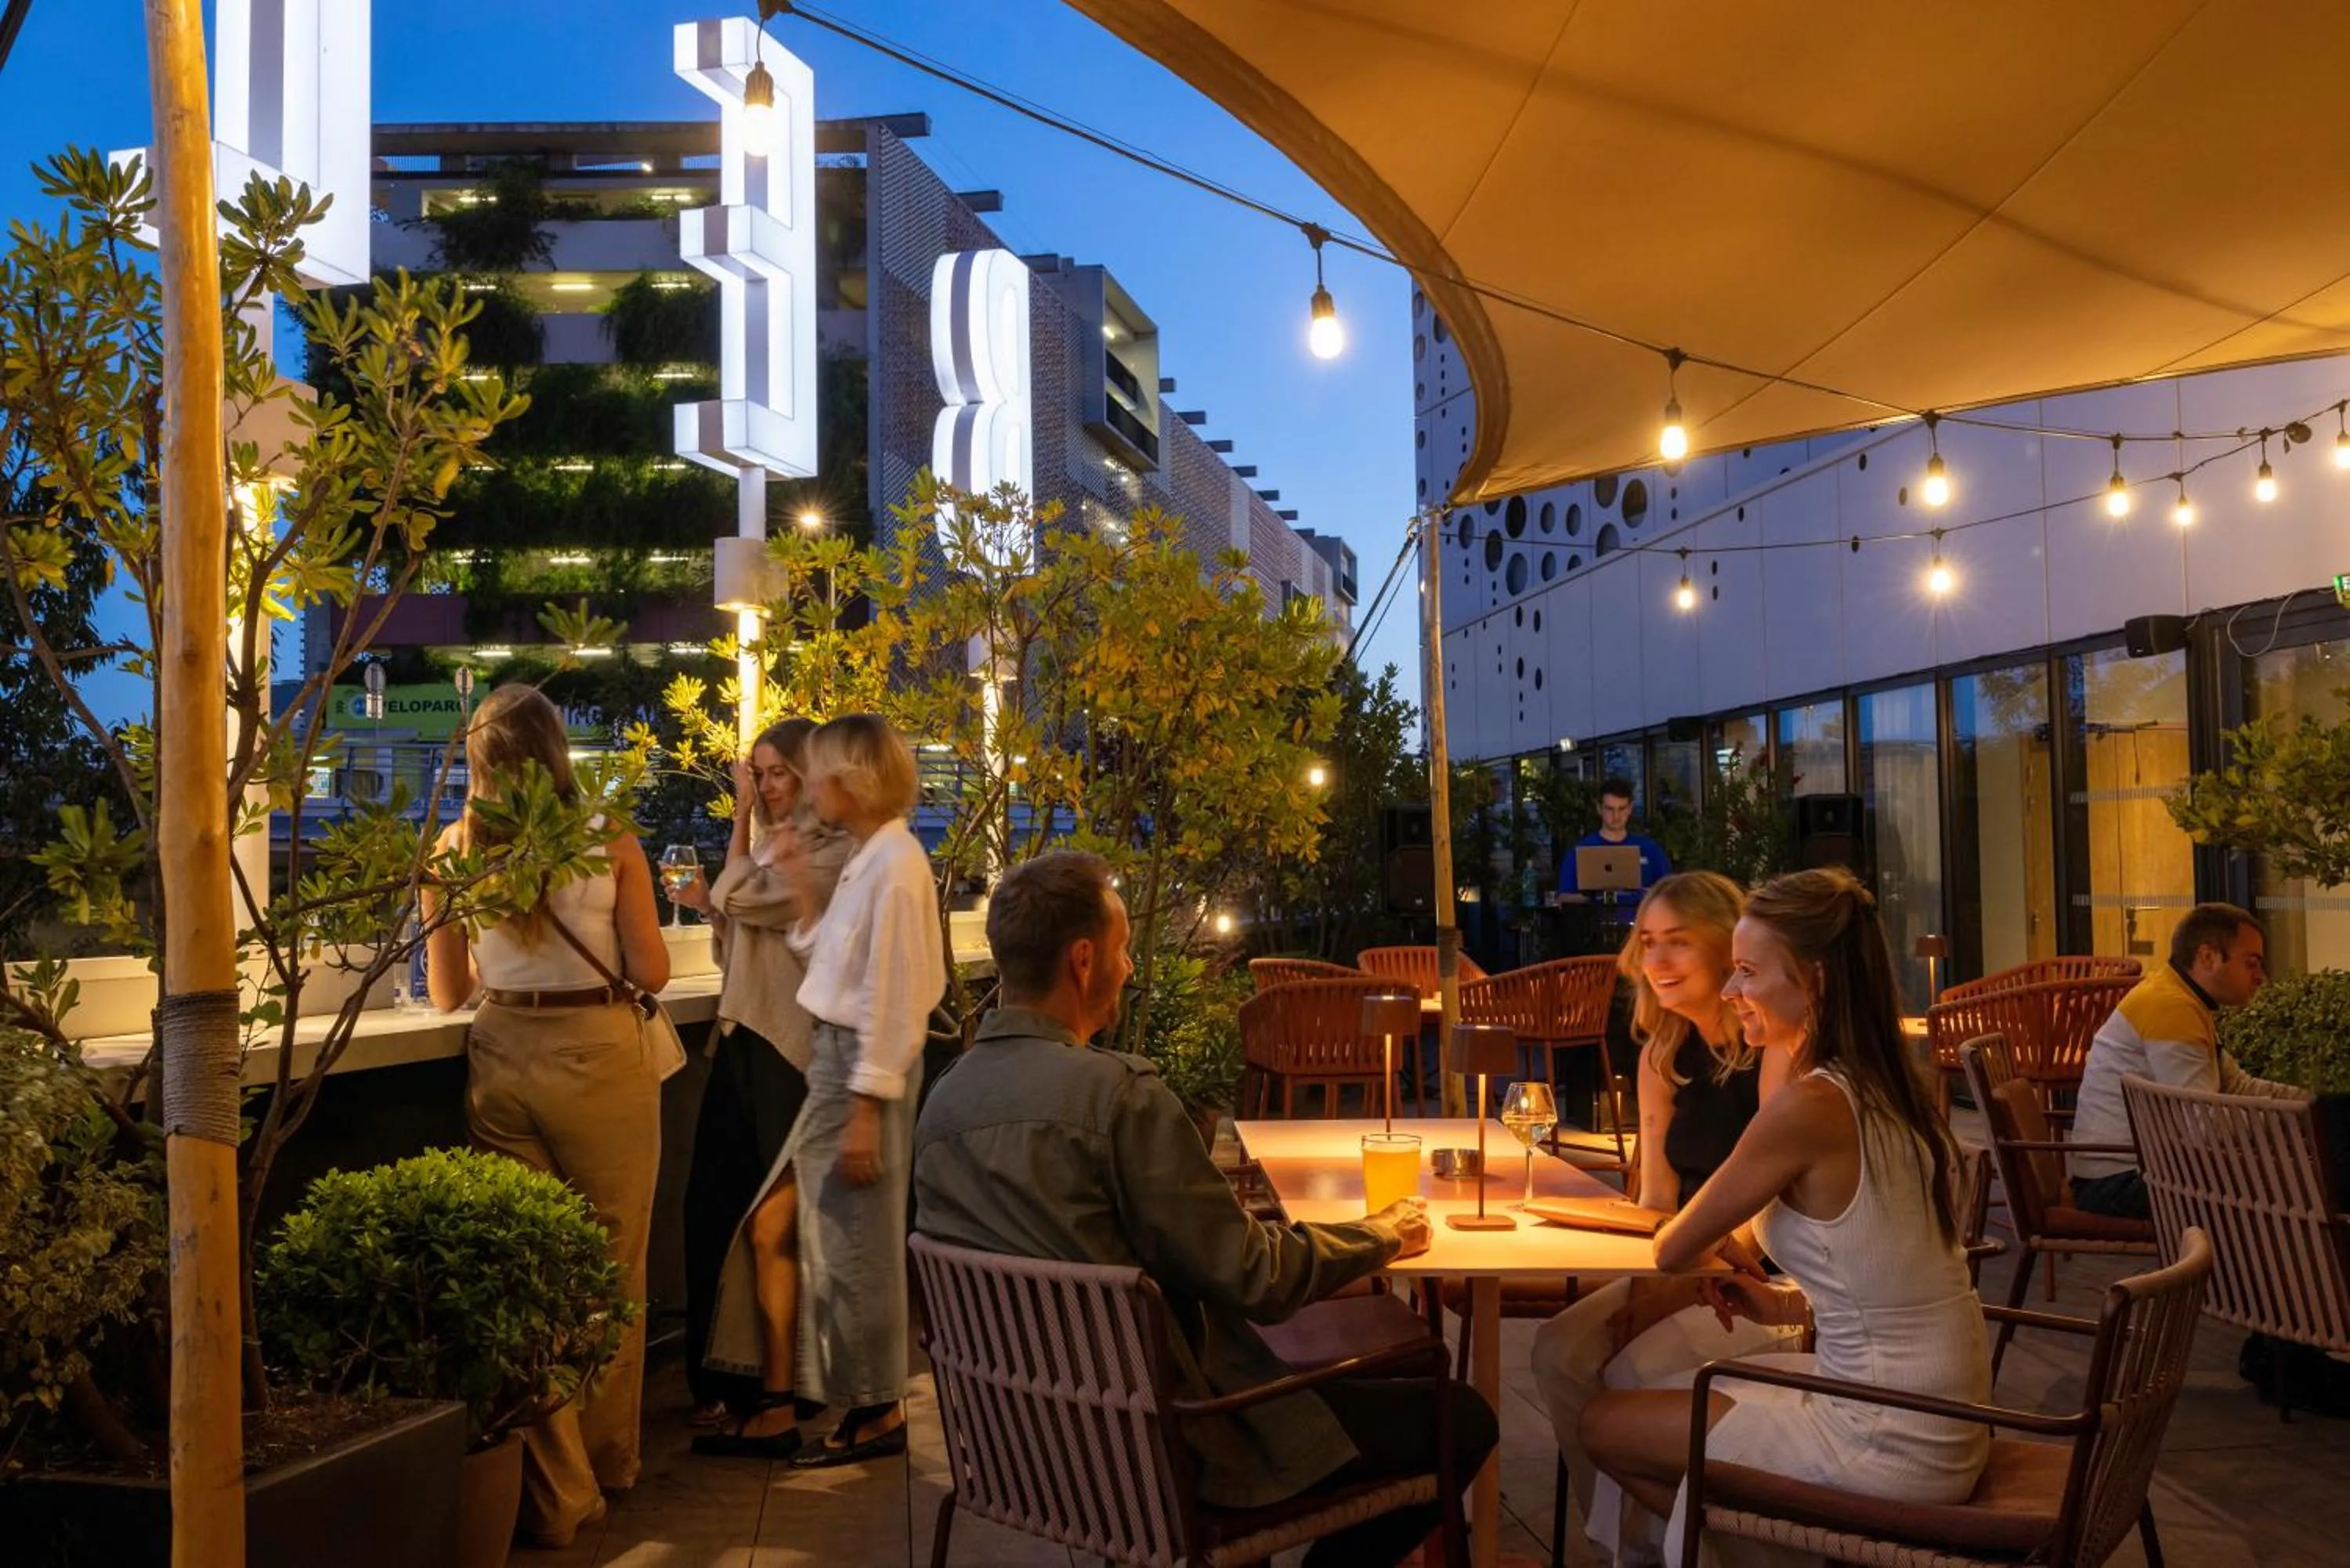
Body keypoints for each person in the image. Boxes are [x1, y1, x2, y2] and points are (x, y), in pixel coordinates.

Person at [913, 851, 1495, 1568]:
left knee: (1375, 1377)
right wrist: (1380, 1235)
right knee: (1459, 1414)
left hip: (1032, 1450)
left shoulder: (942, 1102)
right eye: (1124, 951)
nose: (1129, 969)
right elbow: (1256, 1279)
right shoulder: (1117, 1097)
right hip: (1173, 1451)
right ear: (1085, 960)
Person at [1583, 868, 1990, 1568]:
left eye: (1746, 971)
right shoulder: (1891, 1086)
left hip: (1886, 1439)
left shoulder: (1810, 1104)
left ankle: (1773, 1554)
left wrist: (1707, 1244)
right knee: (1663, 1388)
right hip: (1946, 1415)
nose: (1733, 990)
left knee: (1605, 1425)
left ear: (1817, 982)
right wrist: (1774, 1297)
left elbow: (1674, 1247)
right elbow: (1887, 1267)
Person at [424, 684, 671, 1548]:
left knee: (529, 1278)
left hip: (501, 1057)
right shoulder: (610, 840)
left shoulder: (451, 850)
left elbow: (449, 993)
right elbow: (655, 968)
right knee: (612, 1271)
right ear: (556, 750)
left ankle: (560, 1493)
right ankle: (608, 1464)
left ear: (478, 756)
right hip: (597, 1055)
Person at [1530, 872, 1798, 1565]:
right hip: (1686, 1256)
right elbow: (1655, 1200)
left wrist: (1671, 1282)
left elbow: (1772, 1199)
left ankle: (1707, 1546)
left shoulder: (1775, 1052)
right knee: (1559, 1351)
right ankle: (1627, 1544)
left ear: (1728, 949)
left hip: (1761, 1274)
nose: (1658, 962)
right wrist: (1644, 1279)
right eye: (1648, 944)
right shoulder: (1663, 1054)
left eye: (1678, 943)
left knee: (1628, 1367)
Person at [752, 714, 942, 1467]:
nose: (811, 784)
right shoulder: (876, 857)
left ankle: (876, 1409)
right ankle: (867, 1403)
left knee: (854, 1243)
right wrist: (801, 882)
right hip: (843, 1062)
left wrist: (867, 1107)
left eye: (821, 770)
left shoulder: (894, 865)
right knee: (832, 1239)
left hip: (859, 1064)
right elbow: (838, 959)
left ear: (851, 780)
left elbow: (893, 995)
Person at [672, 718, 853, 1453]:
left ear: (812, 776)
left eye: (777, 774)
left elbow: (742, 900)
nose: (768, 786)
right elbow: (733, 929)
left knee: (776, 1227)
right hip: (742, 1036)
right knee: (712, 1209)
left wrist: (739, 828)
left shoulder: (833, 851)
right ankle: (730, 1382)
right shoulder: (783, 853)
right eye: (757, 774)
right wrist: (722, 897)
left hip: (794, 1050)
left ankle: (786, 1389)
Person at [2069, 901, 2301, 1218]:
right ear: (2208, 957)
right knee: (2289, 1190)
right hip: (2121, 1180)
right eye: (2251, 963)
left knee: (2288, 1179)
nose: (2261, 976)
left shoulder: (2179, 997)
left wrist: (2310, 1104)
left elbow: (2236, 1085)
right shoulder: (2171, 1008)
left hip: (2131, 1170)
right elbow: (2204, 1129)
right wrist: (2295, 1119)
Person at [1555, 776, 1672, 903]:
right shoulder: (1579, 851)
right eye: (1610, 809)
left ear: (1630, 809)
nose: (1616, 816)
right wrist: (1592, 900)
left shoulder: (1650, 849)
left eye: (1621, 809)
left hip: (1640, 920)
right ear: (1599, 808)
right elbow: (1562, 898)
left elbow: (1669, 892)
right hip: (1593, 920)